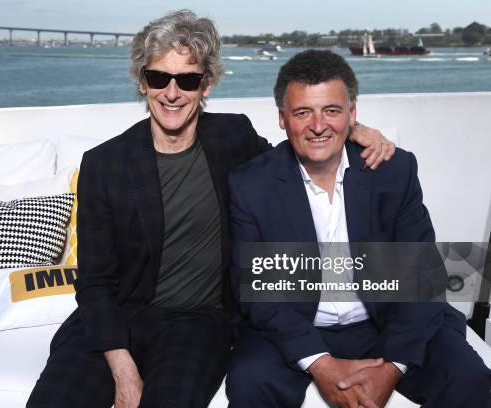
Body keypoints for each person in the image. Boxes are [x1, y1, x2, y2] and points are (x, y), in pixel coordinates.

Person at [27, 12, 395, 408]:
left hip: (197, 321)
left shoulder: (232, 137)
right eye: (158, 78)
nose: (172, 92)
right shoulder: (105, 164)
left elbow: (295, 160)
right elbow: (95, 281)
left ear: (206, 84)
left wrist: (352, 131)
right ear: (142, 81)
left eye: (187, 79)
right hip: (114, 319)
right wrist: (123, 368)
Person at [226, 49, 491, 408]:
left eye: (332, 111)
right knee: (249, 382)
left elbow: (422, 276)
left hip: (385, 319)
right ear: (282, 119)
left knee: (468, 377)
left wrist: (393, 368)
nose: (318, 126)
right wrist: (320, 363)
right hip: (297, 325)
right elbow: (260, 291)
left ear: (352, 114)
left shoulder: (393, 171)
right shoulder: (251, 184)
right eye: (303, 112)